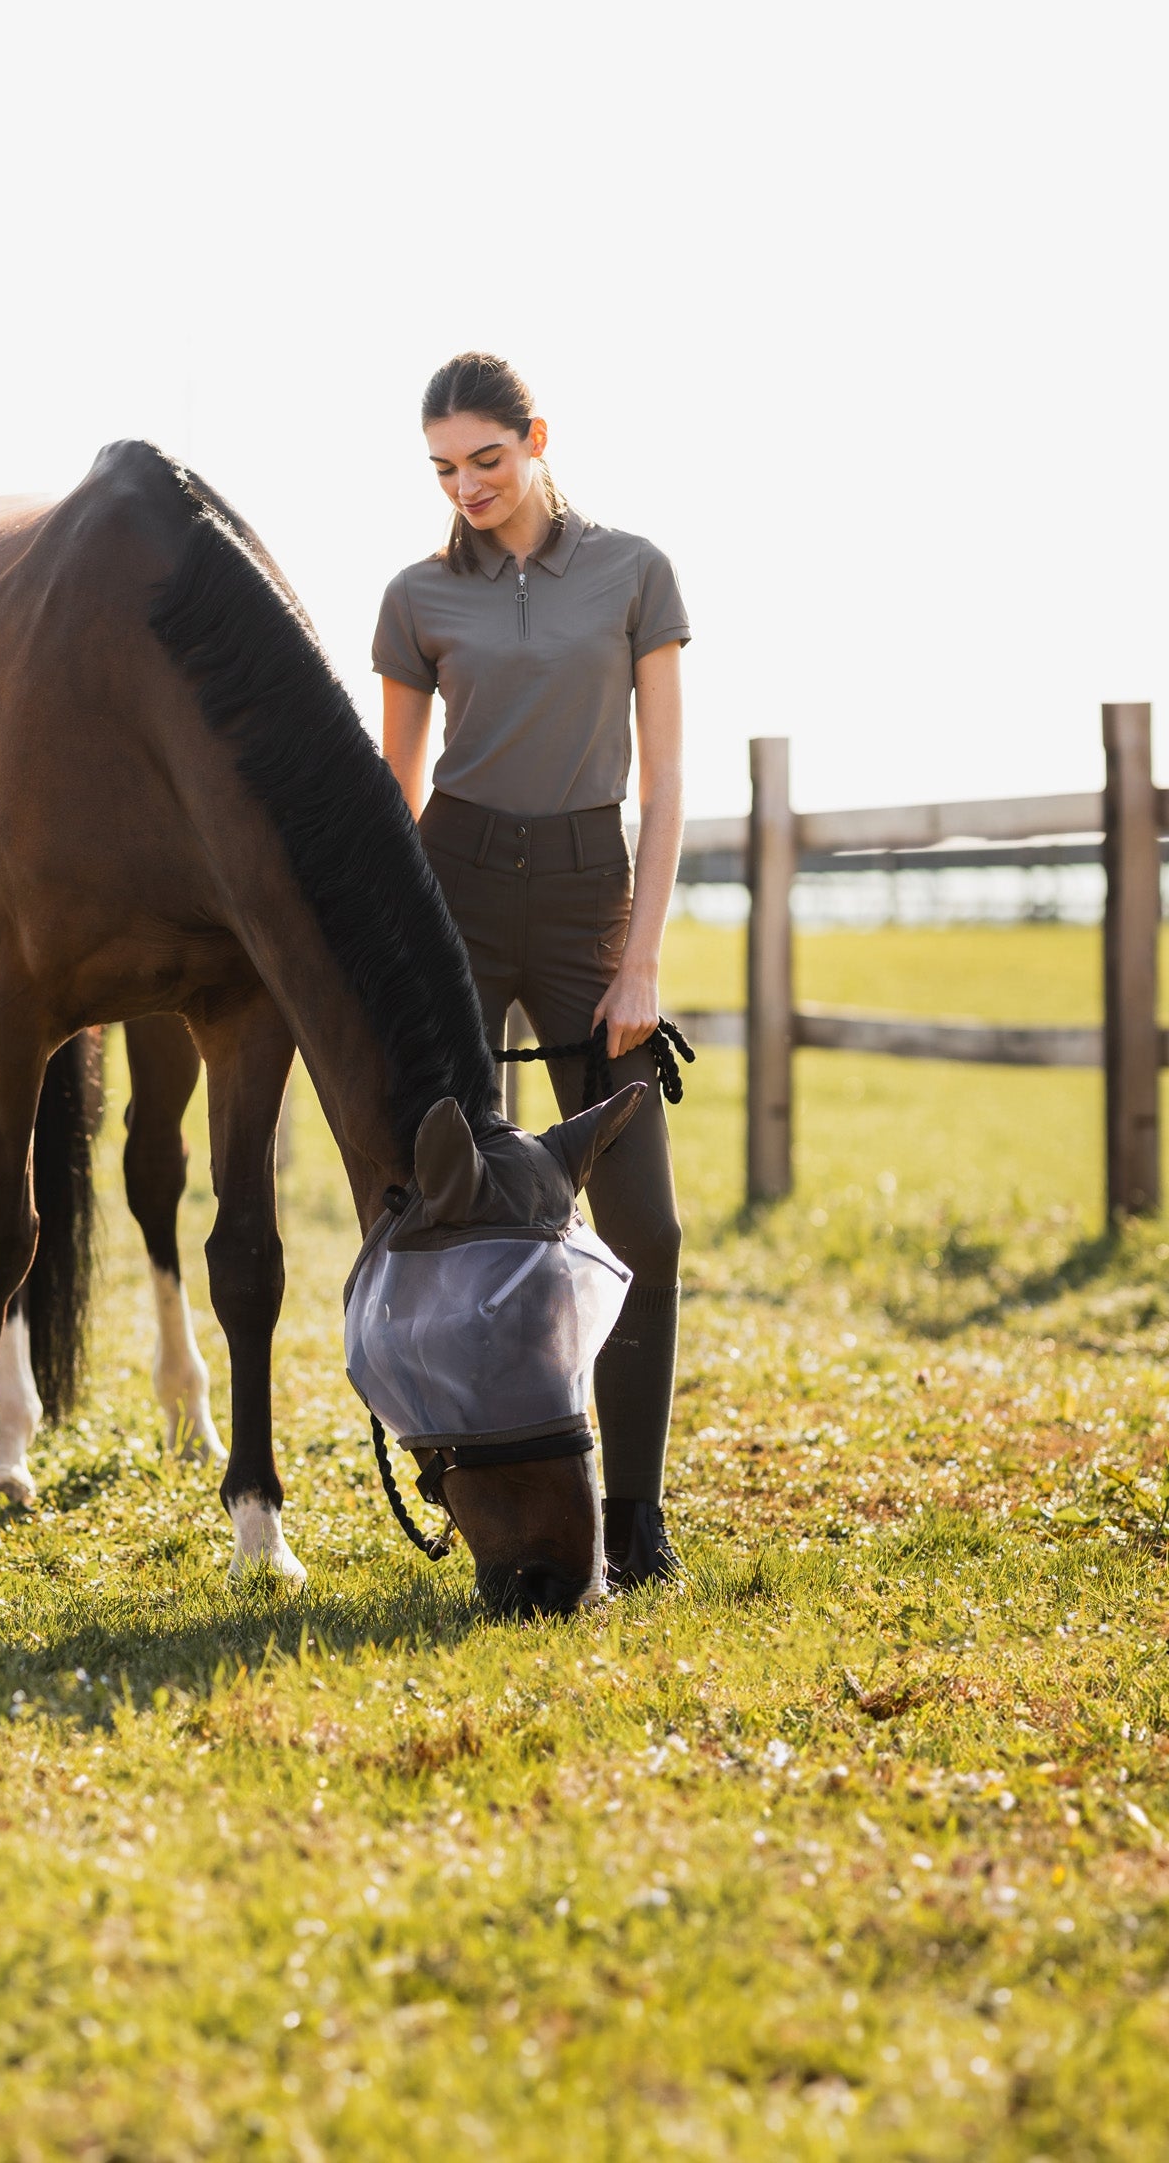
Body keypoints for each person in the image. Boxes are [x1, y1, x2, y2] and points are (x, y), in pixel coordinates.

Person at [374, 351, 689, 1589]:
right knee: (454, 1219)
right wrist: (394, 963)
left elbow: (664, 786)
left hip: (584, 908)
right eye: (445, 468)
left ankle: (637, 1517)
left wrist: (639, 962)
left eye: (487, 460)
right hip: (450, 894)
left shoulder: (632, 572)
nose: (468, 486)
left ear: (536, 439)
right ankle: (481, 1496)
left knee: (643, 1227)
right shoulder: (414, 598)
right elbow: (393, 801)